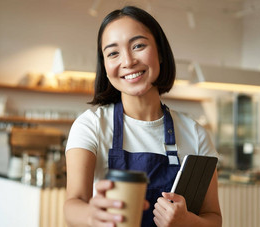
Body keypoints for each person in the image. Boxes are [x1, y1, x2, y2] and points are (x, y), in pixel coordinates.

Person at [64, 5, 222, 227]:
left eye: (138, 45)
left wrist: (186, 221)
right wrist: (91, 215)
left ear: (161, 52)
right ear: (105, 67)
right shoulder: (91, 126)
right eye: (113, 53)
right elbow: (73, 204)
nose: (128, 61)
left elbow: (213, 218)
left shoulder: (195, 134)